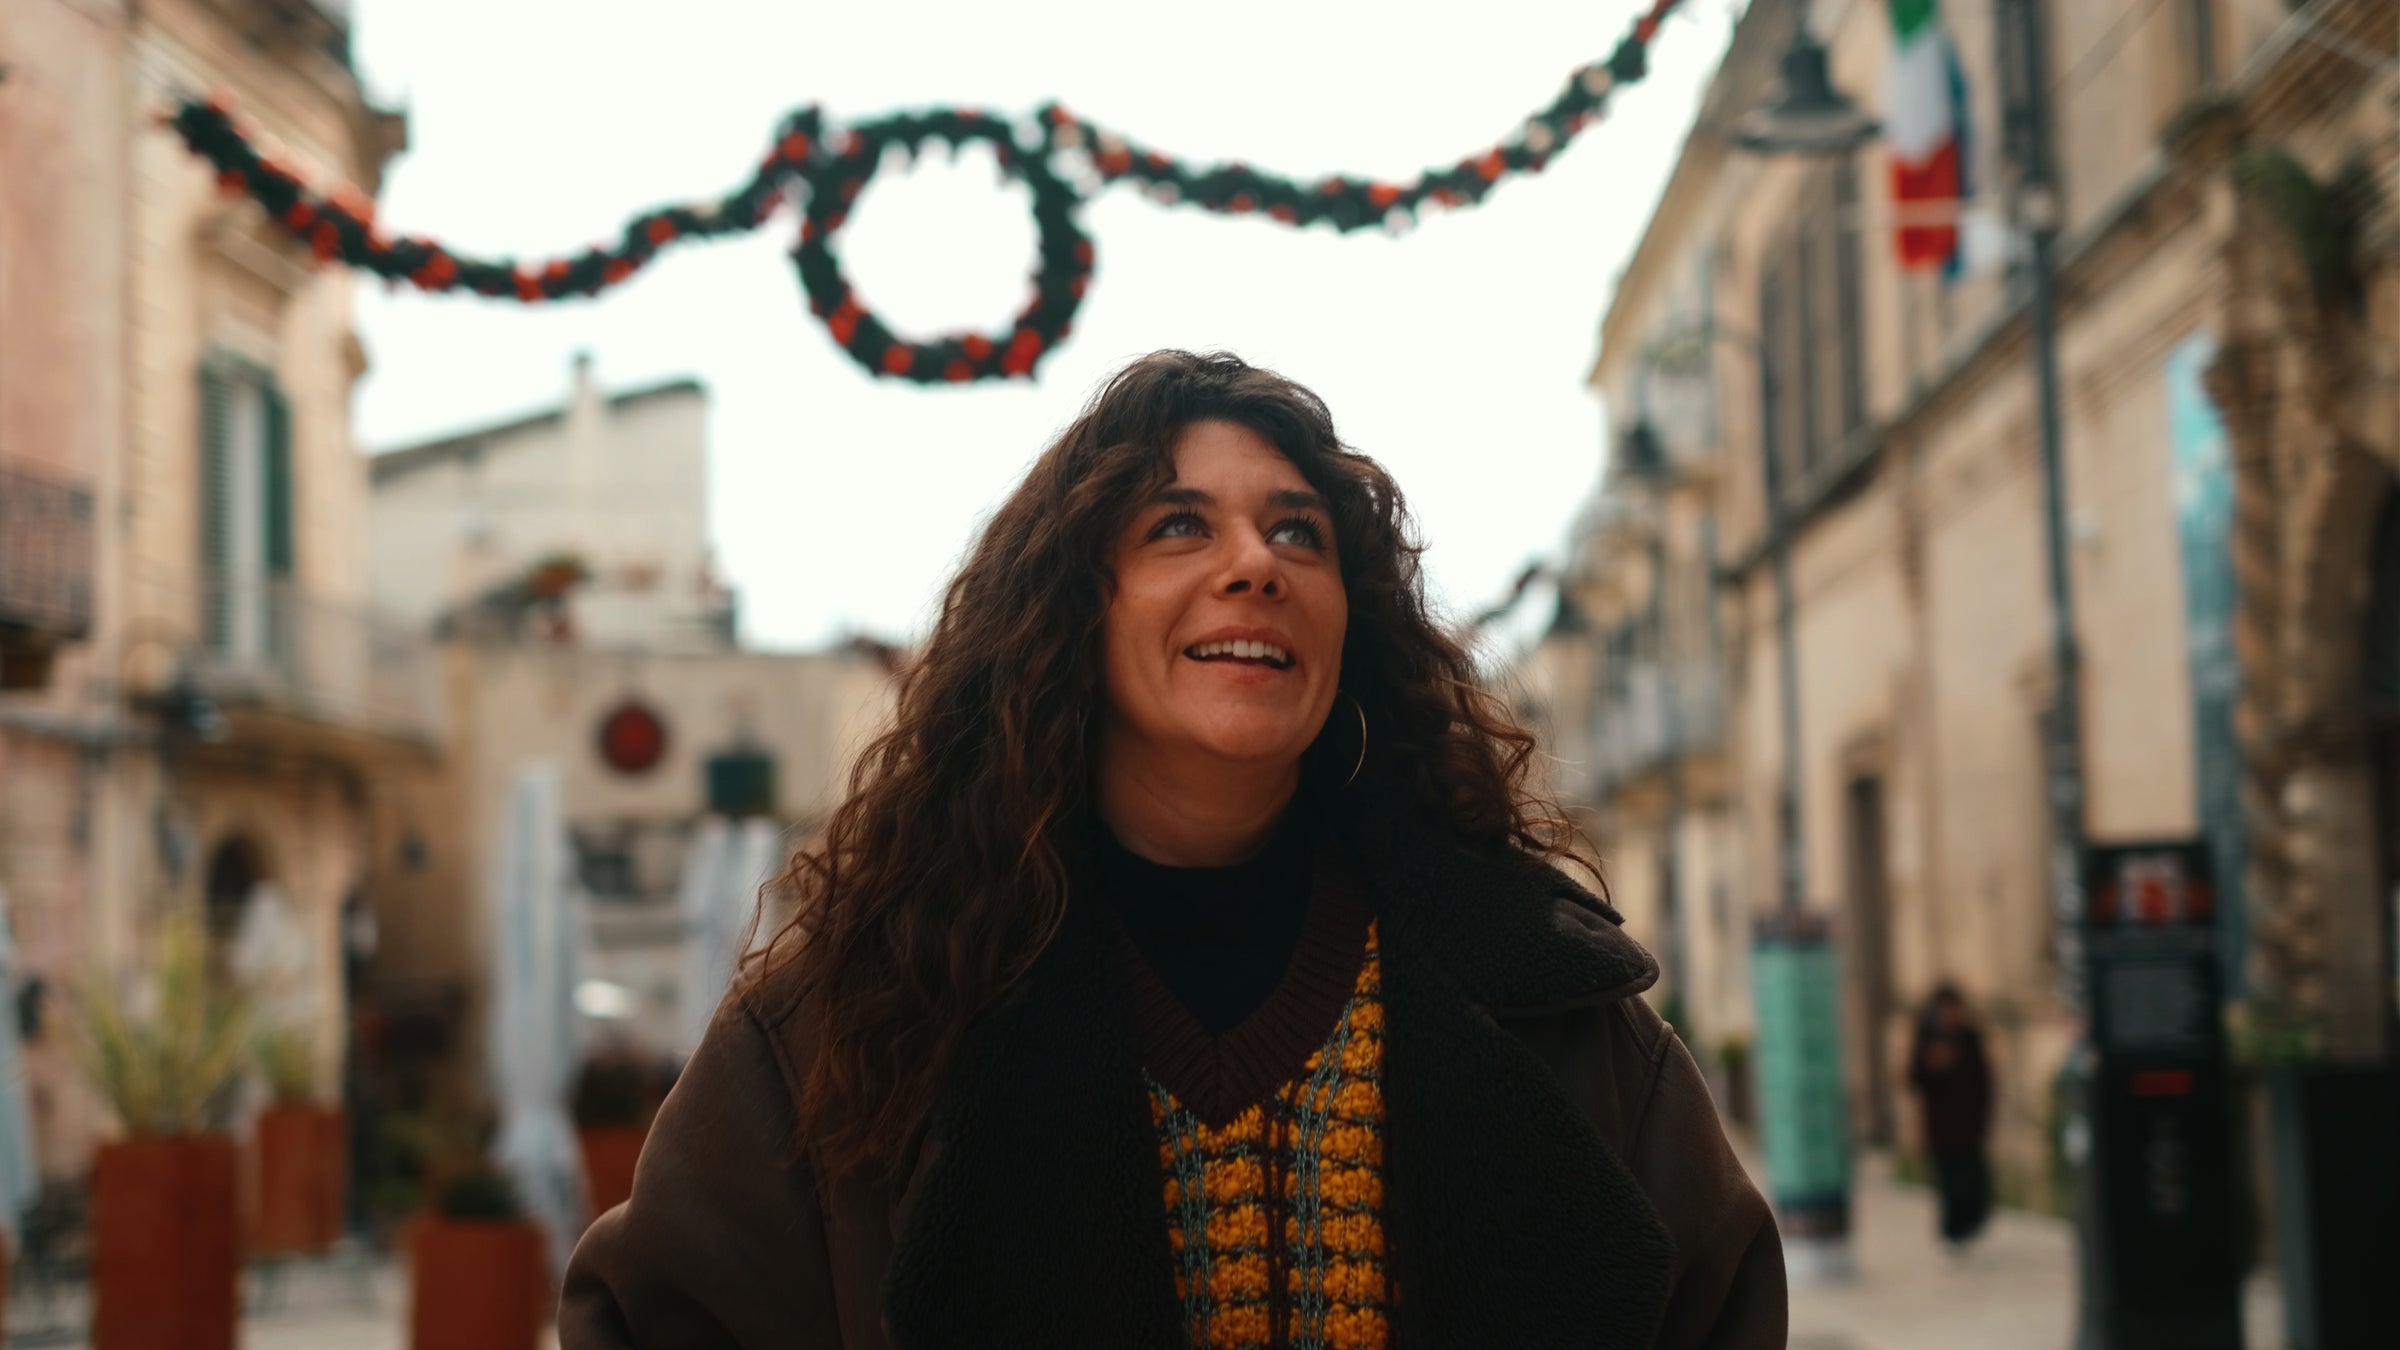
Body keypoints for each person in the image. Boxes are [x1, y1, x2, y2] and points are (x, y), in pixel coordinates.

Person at [559, 351, 1784, 1349]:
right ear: (1067, 618)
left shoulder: (1548, 1009)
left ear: (1349, 629)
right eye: (1180, 525)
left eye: (1299, 535)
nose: (1254, 564)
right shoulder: (857, 1025)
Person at [1906, 983, 1995, 1250]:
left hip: (1970, 1126)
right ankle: (1951, 1234)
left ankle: (1970, 1227)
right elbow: (1913, 1077)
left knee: (1973, 1181)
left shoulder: (1969, 1038)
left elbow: (1984, 1080)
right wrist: (1934, 1065)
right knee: (1949, 1183)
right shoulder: (1928, 1039)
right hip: (1941, 1128)